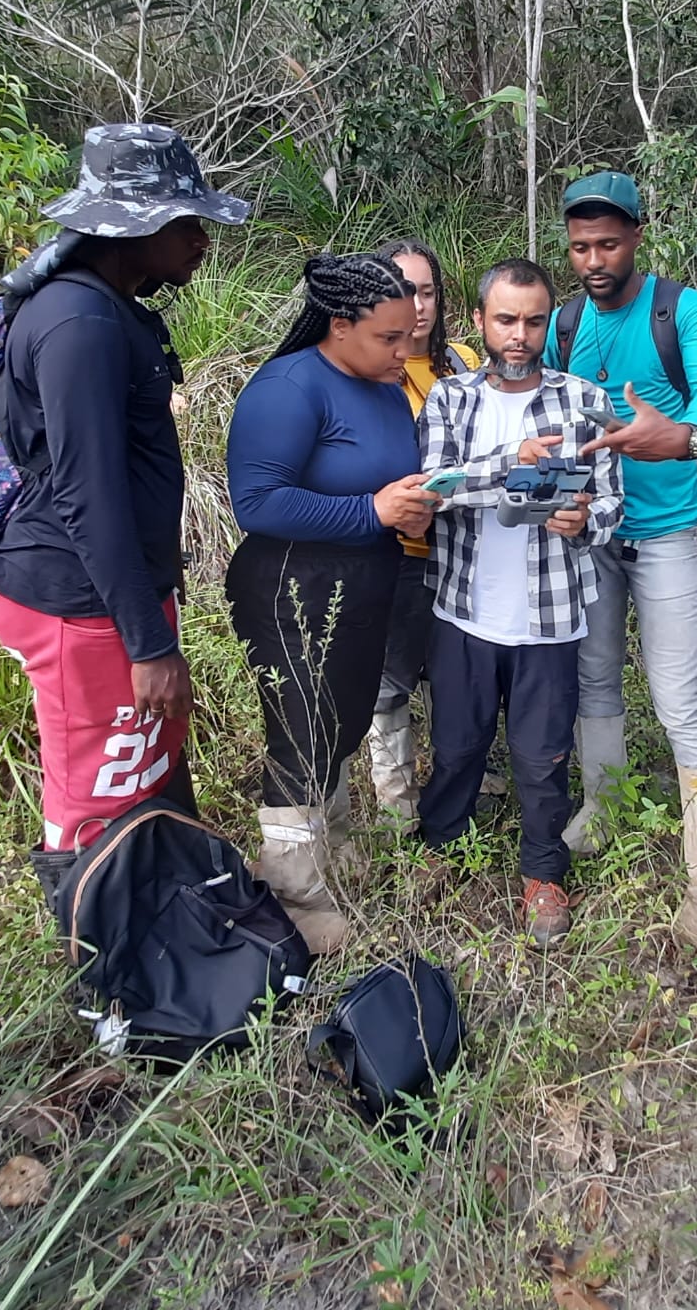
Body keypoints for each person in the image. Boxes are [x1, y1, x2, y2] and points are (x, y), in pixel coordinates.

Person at [0, 122, 250, 914]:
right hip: (78, 599)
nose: (202, 241)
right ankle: (106, 980)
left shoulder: (104, 306)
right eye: (186, 224)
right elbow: (87, 494)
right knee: (101, 787)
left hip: (106, 594)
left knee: (146, 765)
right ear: (133, 228)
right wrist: (149, 640)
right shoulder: (81, 326)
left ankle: (172, 931)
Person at [546, 171, 697, 947]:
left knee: (677, 692)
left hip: (662, 533)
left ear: (637, 237)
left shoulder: (681, 310)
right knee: (594, 675)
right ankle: (608, 802)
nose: (594, 260)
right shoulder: (565, 322)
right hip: (593, 533)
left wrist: (685, 436)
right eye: (580, 246)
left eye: (609, 243)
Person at [225, 254, 440, 953]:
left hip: (364, 582)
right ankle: (295, 892)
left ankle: (331, 851)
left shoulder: (380, 384)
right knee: (302, 732)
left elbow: (381, 484)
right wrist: (373, 510)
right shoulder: (288, 388)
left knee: (342, 722)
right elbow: (256, 501)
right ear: (339, 325)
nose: (403, 351)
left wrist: (412, 507)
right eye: (388, 339)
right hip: (291, 587)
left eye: (408, 336)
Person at [419, 259, 624, 946]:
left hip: (549, 614)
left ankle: (543, 872)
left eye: (534, 321)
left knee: (541, 757)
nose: (519, 335)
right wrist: (510, 462)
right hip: (462, 609)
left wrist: (583, 520)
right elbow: (434, 487)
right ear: (479, 321)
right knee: (455, 745)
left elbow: (612, 502)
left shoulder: (582, 400)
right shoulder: (449, 399)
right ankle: (443, 845)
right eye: (505, 320)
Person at [360, 238, 480, 825]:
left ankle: (467, 778)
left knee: (459, 669)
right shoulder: (370, 368)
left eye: (427, 290)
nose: (418, 304)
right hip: (401, 551)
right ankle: (397, 803)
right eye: (404, 290)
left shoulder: (460, 359)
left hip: (463, 546)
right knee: (393, 675)